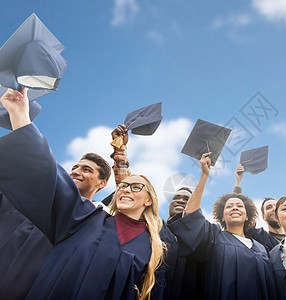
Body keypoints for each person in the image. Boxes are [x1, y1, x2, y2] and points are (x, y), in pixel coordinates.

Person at [0, 88, 166, 300]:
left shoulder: (155, 246)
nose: (125, 189)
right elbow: (51, 178)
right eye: (123, 186)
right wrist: (20, 116)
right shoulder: (87, 218)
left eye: (136, 187)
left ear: (150, 199)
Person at [0, 121, 111, 299]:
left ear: (101, 183)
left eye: (86, 169)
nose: (75, 171)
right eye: (75, 167)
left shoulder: (95, 220)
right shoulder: (35, 197)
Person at [110, 124, 203, 300]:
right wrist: (120, 148)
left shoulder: (199, 238)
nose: (181, 201)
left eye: (187, 200)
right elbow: (130, 190)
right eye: (177, 198)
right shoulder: (154, 226)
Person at [167, 153, 277, 300]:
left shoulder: (262, 248)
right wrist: (204, 175)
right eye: (229, 206)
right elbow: (191, 217)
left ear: (247, 216)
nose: (234, 208)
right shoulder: (213, 236)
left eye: (239, 206)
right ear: (223, 216)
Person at [233, 163, 284, 252]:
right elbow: (238, 213)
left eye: (276, 206)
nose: (274, 208)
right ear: (263, 217)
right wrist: (238, 182)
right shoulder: (260, 237)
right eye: (269, 207)